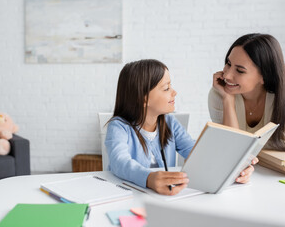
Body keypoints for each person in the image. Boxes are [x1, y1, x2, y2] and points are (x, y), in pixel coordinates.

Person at [106, 59, 255, 196]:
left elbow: (196, 153)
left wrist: (236, 166)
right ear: (143, 98)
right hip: (126, 195)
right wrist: (149, 178)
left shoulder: (170, 123)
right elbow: (119, 162)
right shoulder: (119, 127)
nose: (174, 92)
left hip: (162, 198)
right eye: (166, 88)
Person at [209, 33, 285, 151]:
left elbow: (281, 150)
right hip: (245, 168)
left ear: (265, 76)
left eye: (240, 70)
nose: (227, 75)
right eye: (228, 63)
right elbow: (229, 150)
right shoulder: (220, 92)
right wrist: (228, 100)